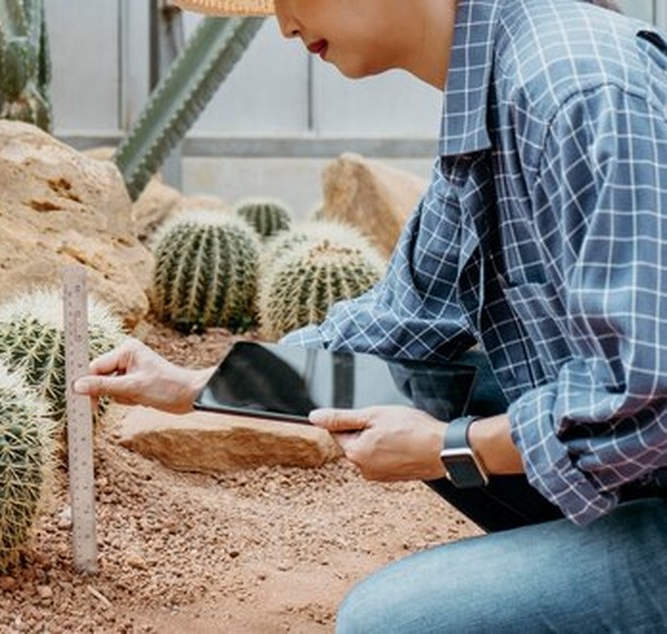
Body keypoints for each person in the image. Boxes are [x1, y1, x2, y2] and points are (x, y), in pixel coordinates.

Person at [73, 0, 667, 631]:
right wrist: (194, 385)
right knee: (412, 379)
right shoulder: (492, 91)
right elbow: (392, 324)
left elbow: (647, 391)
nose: (283, 25)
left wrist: (451, 448)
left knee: (384, 622)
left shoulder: (576, 89)